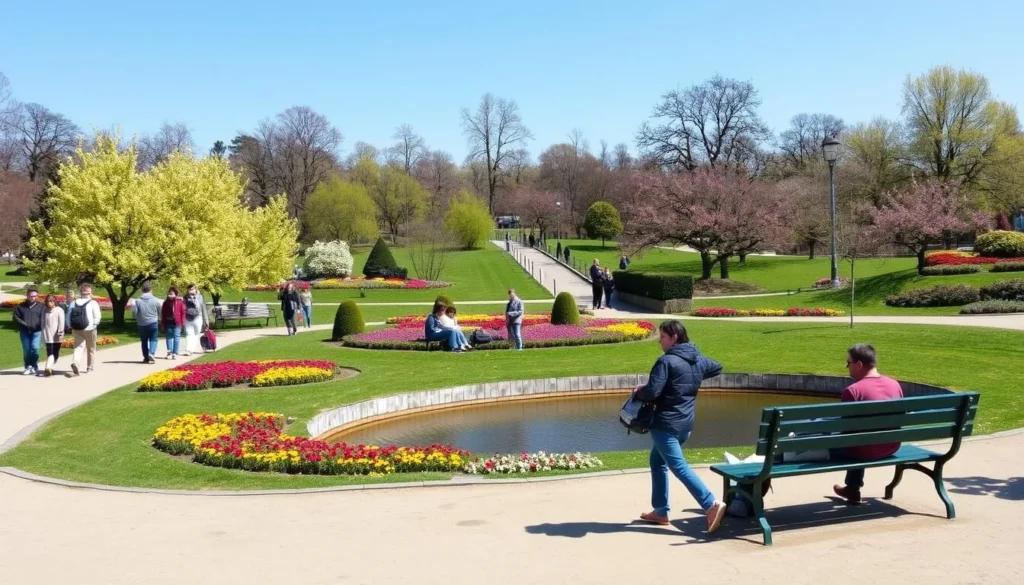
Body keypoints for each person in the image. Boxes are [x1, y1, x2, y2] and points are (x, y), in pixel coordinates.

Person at [635, 320, 728, 534]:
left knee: (678, 466)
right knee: (657, 461)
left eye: (663, 337)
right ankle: (660, 511)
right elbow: (716, 366)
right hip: (685, 425)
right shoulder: (696, 360)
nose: (660, 341)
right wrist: (693, 373)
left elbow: (652, 392)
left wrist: (639, 391)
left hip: (665, 424)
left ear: (674, 337)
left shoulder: (666, 361)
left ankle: (710, 504)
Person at [831, 344, 905, 504]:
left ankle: (853, 487)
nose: (847, 367)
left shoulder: (853, 391)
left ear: (858, 364)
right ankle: (852, 488)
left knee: (837, 441)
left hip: (863, 450)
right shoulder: (895, 385)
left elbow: (844, 429)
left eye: (848, 363)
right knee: (860, 437)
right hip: (891, 446)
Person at [69, 283, 102, 375]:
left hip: (76, 328)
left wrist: (71, 325)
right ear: (90, 292)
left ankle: (75, 362)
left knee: (78, 347)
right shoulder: (93, 302)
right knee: (91, 348)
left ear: (81, 292)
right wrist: (94, 325)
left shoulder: (73, 302)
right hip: (90, 329)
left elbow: (68, 316)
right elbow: (97, 316)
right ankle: (90, 367)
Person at [14, 287, 44, 375]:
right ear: (27, 296)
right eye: (31, 296)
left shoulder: (41, 306)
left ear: (37, 296)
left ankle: (34, 366)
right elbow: (16, 317)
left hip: (37, 331)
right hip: (24, 331)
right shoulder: (20, 306)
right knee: (27, 349)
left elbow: (44, 318)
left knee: (35, 348)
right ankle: (28, 366)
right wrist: (25, 324)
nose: (33, 298)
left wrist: (38, 325)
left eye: (35, 296)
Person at [131, 282, 162, 364]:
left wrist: (136, 319)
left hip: (142, 323)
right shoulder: (155, 300)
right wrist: (160, 319)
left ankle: (146, 357)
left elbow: (134, 312)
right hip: (153, 322)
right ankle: (151, 353)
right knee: (153, 338)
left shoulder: (138, 301)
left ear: (142, 290)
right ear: (151, 290)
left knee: (144, 340)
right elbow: (160, 311)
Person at [40, 293, 65, 376]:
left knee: (56, 352)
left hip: (57, 334)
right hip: (47, 334)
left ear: (55, 301)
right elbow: (42, 322)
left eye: (51, 301)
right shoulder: (44, 310)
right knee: (49, 351)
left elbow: (61, 322)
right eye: (48, 301)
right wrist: (42, 332)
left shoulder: (59, 310)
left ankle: (50, 366)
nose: (49, 303)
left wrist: (60, 332)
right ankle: (48, 367)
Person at [161, 286, 186, 360]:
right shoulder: (166, 302)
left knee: (176, 337)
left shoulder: (179, 302)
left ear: (175, 294)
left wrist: (182, 322)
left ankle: (175, 352)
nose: (170, 295)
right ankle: (169, 352)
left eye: (172, 294)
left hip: (177, 322)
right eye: (169, 293)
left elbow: (183, 312)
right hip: (168, 322)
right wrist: (163, 323)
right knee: (168, 337)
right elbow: (163, 313)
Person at [182, 284, 208, 356]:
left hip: (198, 317)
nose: (191, 290)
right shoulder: (185, 298)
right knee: (189, 333)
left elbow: (203, 308)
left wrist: (206, 320)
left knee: (196, 333)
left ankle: (192, 349)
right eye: (189, 289)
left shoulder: (200, 297)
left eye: (192, 289)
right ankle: (189, 349)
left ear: (196, 289)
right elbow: (183, 308)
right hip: (188, 317)